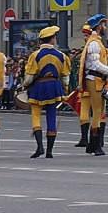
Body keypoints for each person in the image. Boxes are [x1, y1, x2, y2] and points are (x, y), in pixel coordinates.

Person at [23, 25, 70, 159]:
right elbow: (65, 77)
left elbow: (29, 77)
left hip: (39, 86)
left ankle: (39, 147)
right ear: (52, 39)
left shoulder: (35, 55)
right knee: (52, 116)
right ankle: (49, 151)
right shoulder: (61, 55)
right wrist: (65, 89)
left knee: (36, 115)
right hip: (54, 86)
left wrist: (24, 85)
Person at [75, 15, 108, 155]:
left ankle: (92, 145)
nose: (105, 28)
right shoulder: (94, 43)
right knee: (97, 112)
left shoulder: (97, 42)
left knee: (98, 112)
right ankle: (96, 145)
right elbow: (95, 64)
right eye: (104, 25)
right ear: (99, 26)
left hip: (98, 79)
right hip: (94, 79)